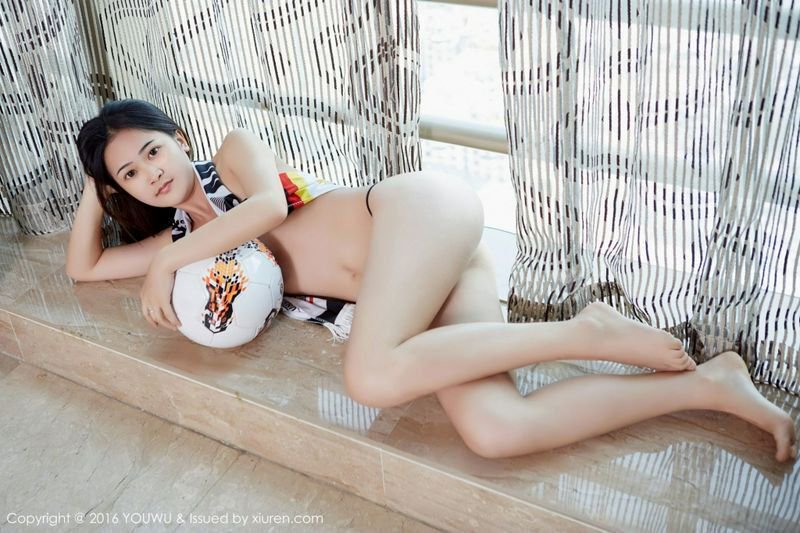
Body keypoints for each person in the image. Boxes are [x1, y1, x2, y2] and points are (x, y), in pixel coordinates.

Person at [66, 99, 797, 462]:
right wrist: (95, 184)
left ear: (179, 138)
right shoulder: (179, 241)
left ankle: (586, 332)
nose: (150, 173)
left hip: (417, 212)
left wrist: (165, 263)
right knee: (496, 431)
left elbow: (265, 209)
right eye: (129, 173)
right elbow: (85, 266)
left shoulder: (231, 154)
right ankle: (711, 386)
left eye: (152, 150)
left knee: (371, 377)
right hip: (433, 280)